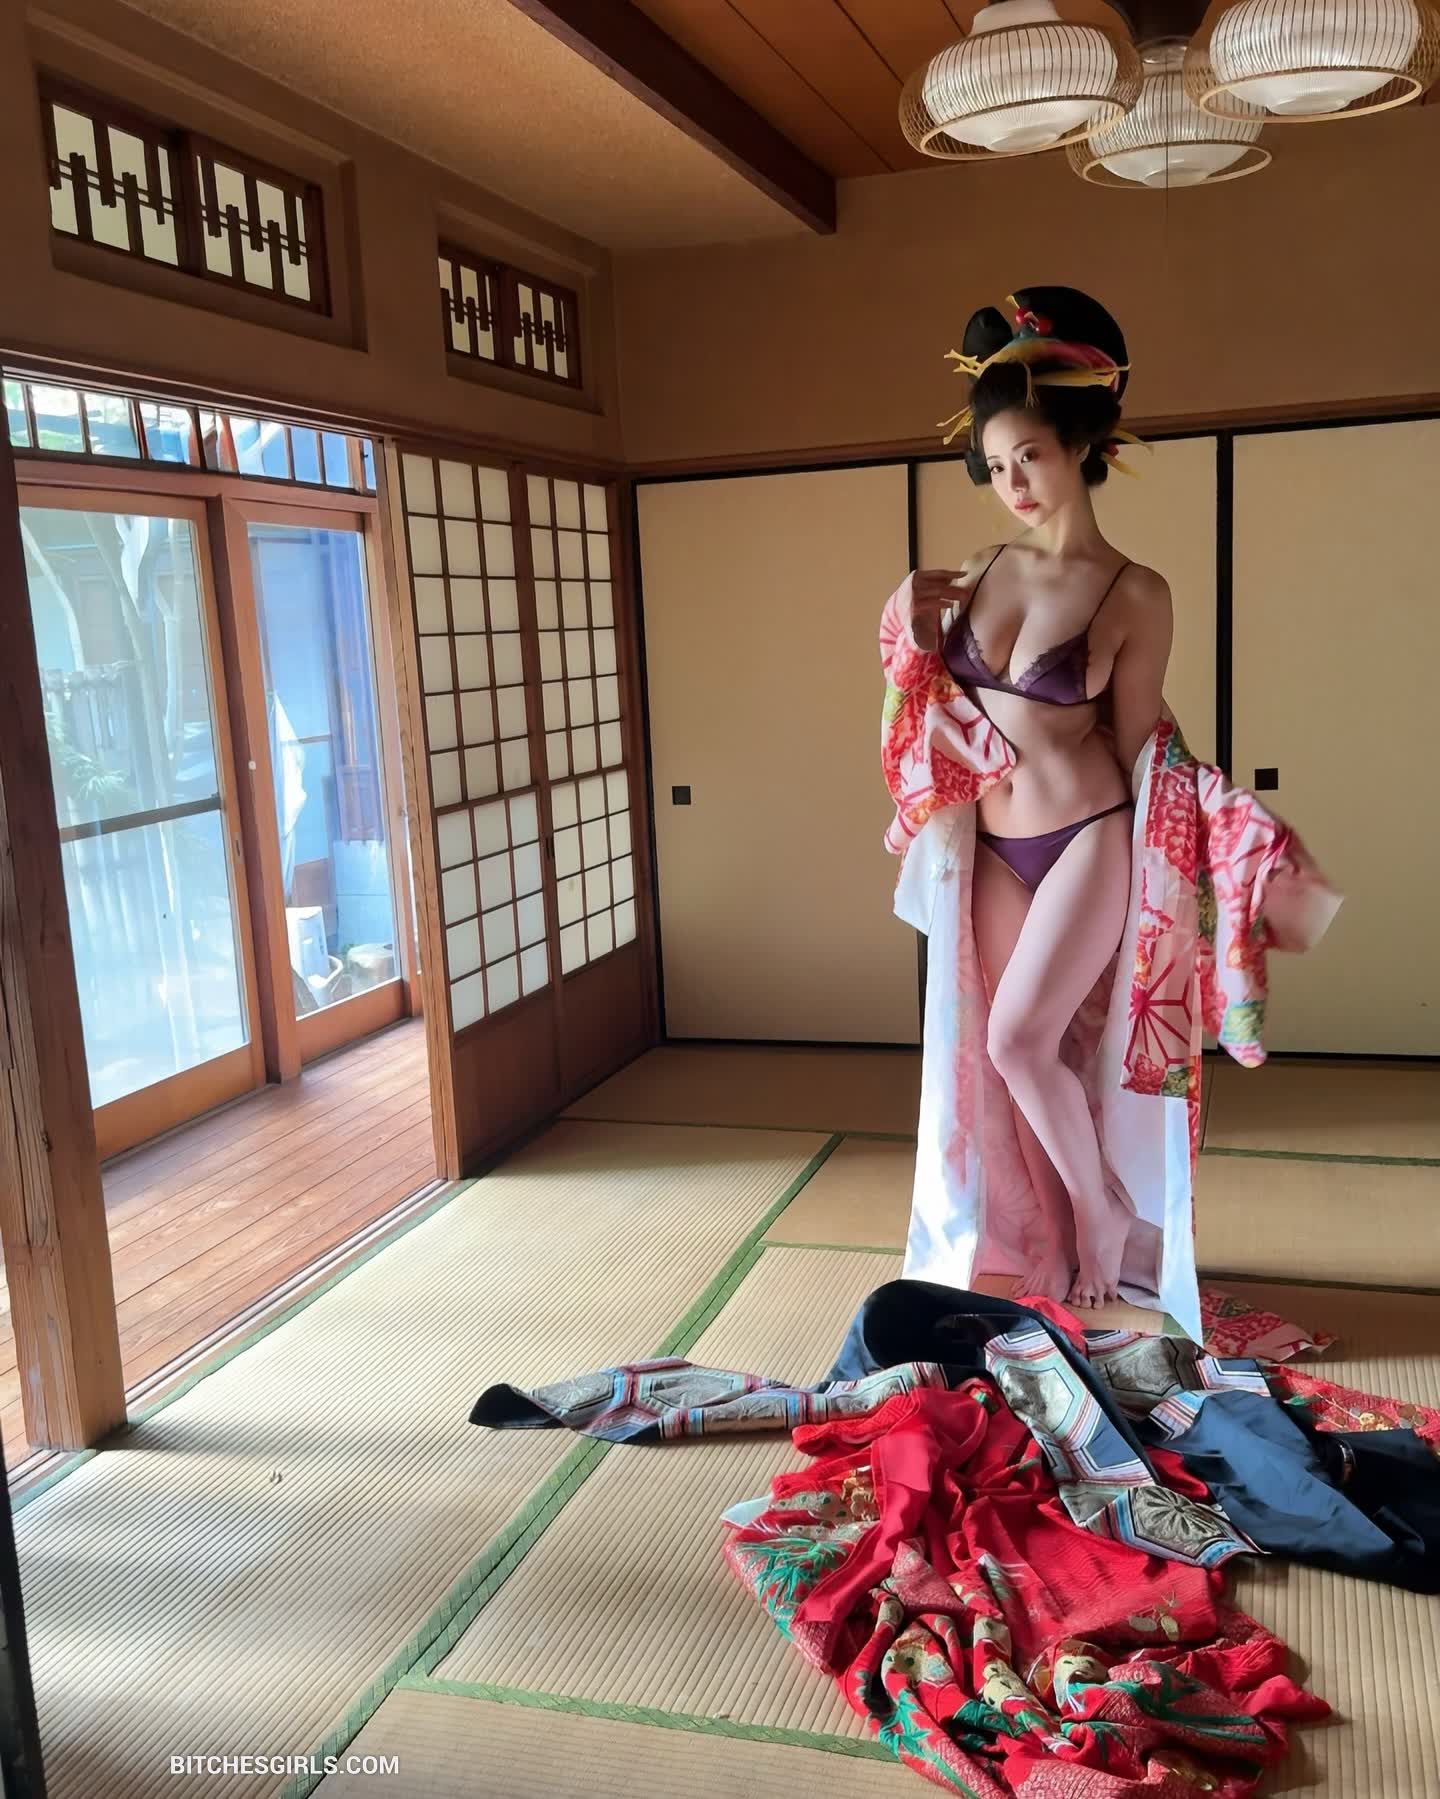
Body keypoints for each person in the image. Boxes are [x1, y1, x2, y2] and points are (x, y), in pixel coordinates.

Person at [880, 287, 1341, 1332]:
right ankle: (1051, 1235)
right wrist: (901, 625)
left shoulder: (1136, 592)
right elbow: (925, 701)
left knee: (1021, 1041)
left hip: (1086, 836)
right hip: (990, 843)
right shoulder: (980, 570)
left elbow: (1139, 740)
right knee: (1008, 1057)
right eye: (996, 465)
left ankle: (1101, 1216)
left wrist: (1225, 835)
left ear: (1083, 446)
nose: (1012, 484)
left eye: (1030, 457)